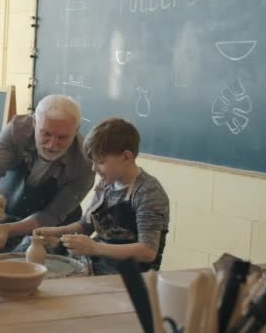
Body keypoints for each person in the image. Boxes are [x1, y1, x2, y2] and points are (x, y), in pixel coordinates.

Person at [35, 118, 170, 275]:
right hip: (97, 269)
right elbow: (85, 225)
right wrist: (54, 232)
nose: (94, 168)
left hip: (133, 280)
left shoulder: (148, 192)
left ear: (126, 157)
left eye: (100, 162)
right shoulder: (106, 185)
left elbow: (147, 251)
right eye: (92, 162)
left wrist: (95, 248)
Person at [0, 95, 95, 253]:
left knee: (21, 261)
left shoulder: (85, 163)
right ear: (34, 123)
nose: (52, 144)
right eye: (46, 134)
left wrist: (9, 229)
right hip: (1, 206)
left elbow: (51, 215)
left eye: (62, 137)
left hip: (45, 225)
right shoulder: (17, 130)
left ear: (76, 131)